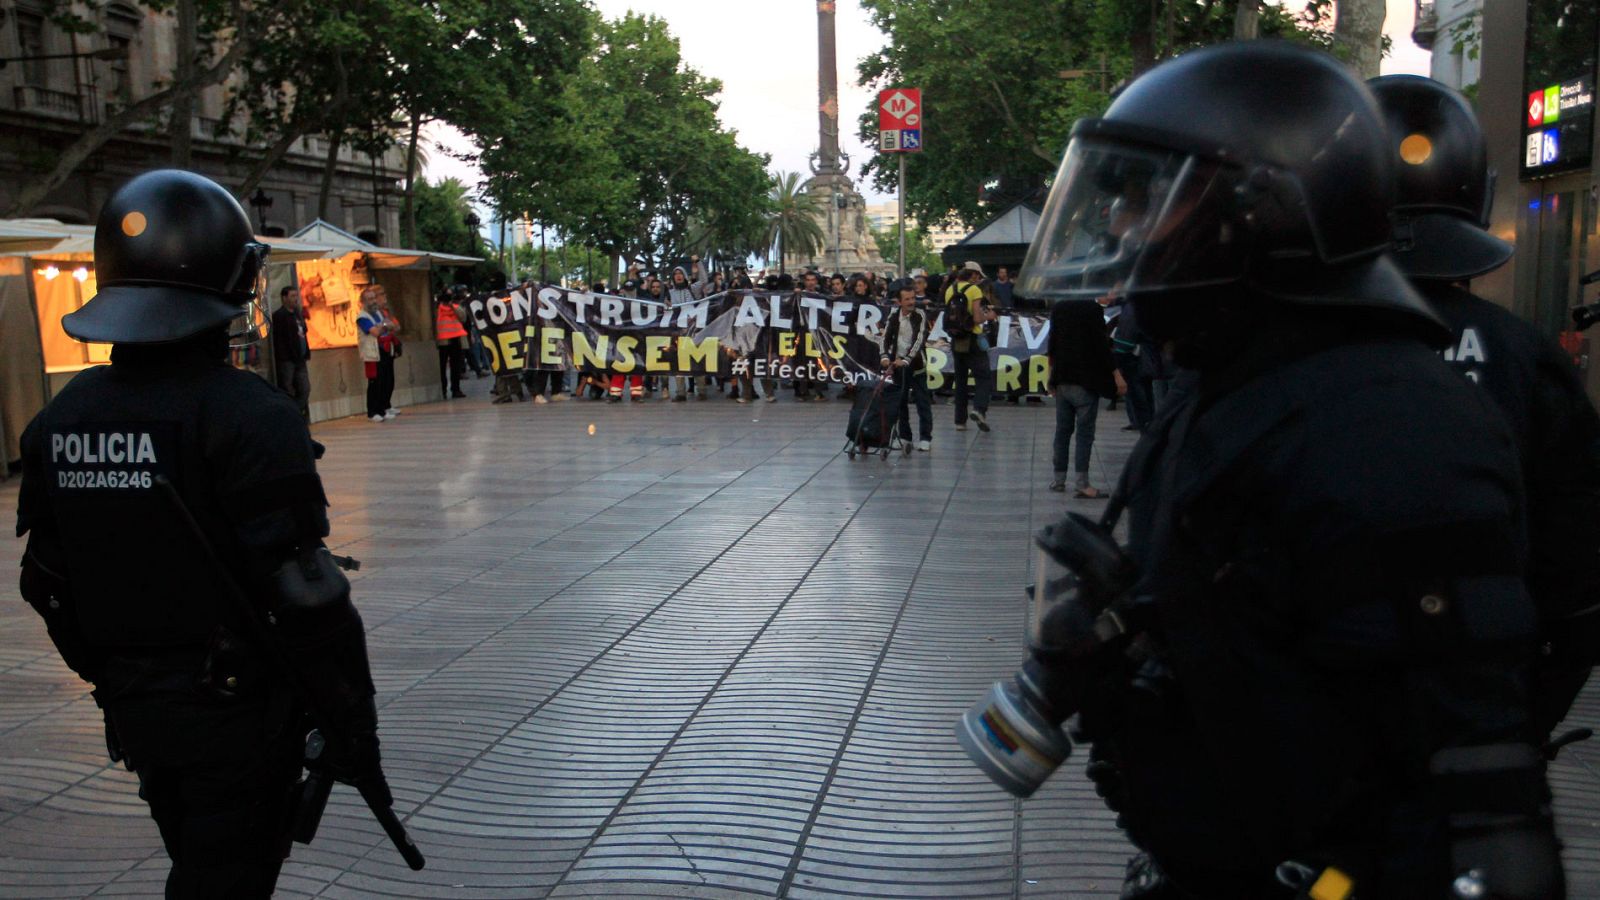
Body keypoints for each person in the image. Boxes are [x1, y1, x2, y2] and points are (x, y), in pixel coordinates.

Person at [1015, 42, 1562, 897]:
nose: (1120, 229)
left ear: (1256, 212)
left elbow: (1470, 765)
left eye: (1149, 200)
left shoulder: (1391, 420)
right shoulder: (1240, 379)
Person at [15, 170, 390, 897]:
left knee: (199, 858)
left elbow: (45, 583)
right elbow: (309, 596)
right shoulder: (251, 414)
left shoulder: (62, 418)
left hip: (137, 708)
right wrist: (356, 727)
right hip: (237, 712)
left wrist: (118, 680)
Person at [1371, 73, 1600, 740]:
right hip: (1482, 725)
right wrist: (1523, 722)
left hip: (1310, 749)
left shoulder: (1279, 358)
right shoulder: (1527, 358)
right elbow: (1580, 572)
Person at [1045, 299, 1115, 497]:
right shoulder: (1092, 309)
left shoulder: (1059, 307)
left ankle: (1059, 480)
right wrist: (1115, 373)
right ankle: (1082, 483)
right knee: (1084, 434)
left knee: (1062, 431)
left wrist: (1051, 376)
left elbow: (1053, 342)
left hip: (1062, 377)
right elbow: (1101, 344)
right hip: (1085, 379)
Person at [943, 260, 995, 432]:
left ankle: (960, 421)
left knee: (961, 380)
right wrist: (989, 316)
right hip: (973, 338)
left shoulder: (950, 290)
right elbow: (978, 319)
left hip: (956, 339)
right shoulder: (974, 290)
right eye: (978, 276)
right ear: (973, 274)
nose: (979, 279)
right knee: (984, 376)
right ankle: (979, 409)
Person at [880, 284, 933, 451]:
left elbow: (919, 340)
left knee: (922, 402)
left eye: (913, 298)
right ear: (899, 301)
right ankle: (905, 436)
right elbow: (885, 338)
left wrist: (908, 359)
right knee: (900, 402)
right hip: (898, 366)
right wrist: (884, 356)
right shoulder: (893, 316)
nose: (911, 302)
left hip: (916, 365)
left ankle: (925, 438)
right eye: (907, 299)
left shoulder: (920, 315)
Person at [356, 286, 401, 422]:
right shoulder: (362, 317)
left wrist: (383, 326)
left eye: (374, 298)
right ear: (363, 302)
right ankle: (372, 411)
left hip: (384, 350)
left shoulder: (379, 313)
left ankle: (382, 409)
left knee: (385, 380)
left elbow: (392, 326)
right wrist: (384, 326)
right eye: (369, 299)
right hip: (372, 353)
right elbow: (375, 332)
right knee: (374, 382)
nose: (373, 301)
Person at [270, 285, 311, 419]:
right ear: (284, 298)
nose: (295, 299)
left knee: (305, 387)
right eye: (292, 296)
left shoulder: (297, 314)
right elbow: (281, 339)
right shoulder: (280, 316)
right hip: (287, 359)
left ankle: (297, 412)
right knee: (287, 388)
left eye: (296, 296)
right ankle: (291, 415)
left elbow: (303, 333)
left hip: (300, 358)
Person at [434, 290, 469, 400]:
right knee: (447, 367)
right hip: (446, 341)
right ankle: (451, 389)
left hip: (450, 341)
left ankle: (452, 389)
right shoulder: (438, 309)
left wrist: (452, 307)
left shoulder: (452, 308)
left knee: (453, 366)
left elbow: (463, 317)